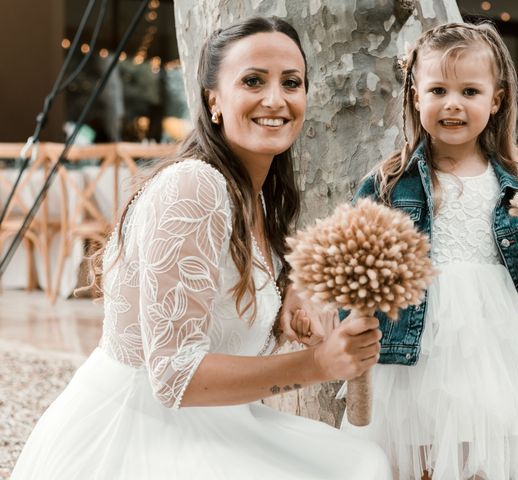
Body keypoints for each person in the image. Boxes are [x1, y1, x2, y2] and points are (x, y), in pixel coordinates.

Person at [12, 17, 391, 480]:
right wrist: (317, 364)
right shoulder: (194, 186)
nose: (276, 99)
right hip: (140, 431)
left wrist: (285, 299)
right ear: (214, 100)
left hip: (217, 420)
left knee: (362, 462)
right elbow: (173, 376)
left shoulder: (258, 194)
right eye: (253, 81)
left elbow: (220, 310)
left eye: (291, 83)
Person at [337, 22, 518, 480]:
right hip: (413, 345)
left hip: (488, 342)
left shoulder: (513, 184)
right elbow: (351, 263)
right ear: (416, 96)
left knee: (479, 446)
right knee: (412, 450)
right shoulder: (389, 182)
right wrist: (351, 329)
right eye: (438, 89)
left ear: (494, 101)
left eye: (470, 91)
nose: (453, 103)